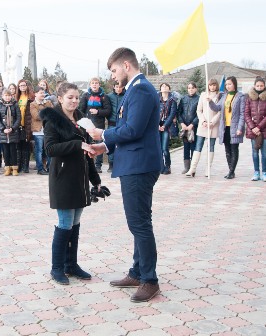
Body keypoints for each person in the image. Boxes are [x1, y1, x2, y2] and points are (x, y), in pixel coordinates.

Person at [88, 47, 161, 302]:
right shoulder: (134, 89)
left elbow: (133, 130)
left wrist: (102, 134)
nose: (113, 76)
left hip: (140, 165)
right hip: (136, 163)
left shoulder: (140, 89)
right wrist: (104, 147)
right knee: (140, 221)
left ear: (126, 65)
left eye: (114, 70)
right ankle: (138, 271)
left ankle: (150, 280)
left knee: (139, 223)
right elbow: (127, 129)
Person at [40, 83, 101, 285]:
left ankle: (71, 265)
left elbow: (88, 152)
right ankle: (57, 268)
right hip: (63, 178)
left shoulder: (81, 120)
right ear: (60, 98)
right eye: (70, 97)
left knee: (75, 224)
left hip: (80, 178)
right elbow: (50, 149)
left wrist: (96, 181)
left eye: (76, 97)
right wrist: (77, 144)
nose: (74, 101)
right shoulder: (53, 120)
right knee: (64, 224)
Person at [208, 76, 245, 179]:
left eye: (230, 84)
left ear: (234, 84)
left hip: (235, 127)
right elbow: (217, 108)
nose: (228, 86)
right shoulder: (224, 96)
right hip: (225, 128)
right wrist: (210, 101)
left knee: (234, 149)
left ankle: (232, 171)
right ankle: (230, 171)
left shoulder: (240, 97)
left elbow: (242, 114)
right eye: (227, 84)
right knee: (227, 150)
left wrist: (240, 128)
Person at [185, 79, 223, 177]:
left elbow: (219, 111)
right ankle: (192, 169)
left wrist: (212, 122)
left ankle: (208, 169)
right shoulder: (203, 95)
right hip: (203, 125)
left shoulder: (220, 96)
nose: (212, 87)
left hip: (213, 125)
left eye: (214, 85)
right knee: (198, 146)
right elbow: (199, 110)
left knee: (210, 147)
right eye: (210, 85)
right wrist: (203, 121)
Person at [79, 77, 111, 173]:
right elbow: (81, 110)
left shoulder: (104, 97)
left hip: (99, 125)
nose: (94, 84)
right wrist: (84, 120)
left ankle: (98, 165)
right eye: (92, 83)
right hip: (87, 125)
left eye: (96, 83)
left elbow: (108, 111)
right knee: (86, 144)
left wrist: (98, 112)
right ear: (90, 85)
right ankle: (86, 163)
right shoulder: (85, 96)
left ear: (99, 85)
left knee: (99, 144)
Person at [244, 77, 266, 182]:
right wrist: (253, 127)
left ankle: (264, 172)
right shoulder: (249, 97)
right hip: (253, 130)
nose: (259, 87)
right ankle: (256, 172)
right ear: (254, 86)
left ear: (264, 86)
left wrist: (259, 127)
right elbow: (246, 113)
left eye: (261, 86)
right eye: (257, 86)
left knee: (264, 152)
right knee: (254, 152)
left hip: (264, 129)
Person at [0, 89, 21, 176]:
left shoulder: (15, 105)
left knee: (13, 151)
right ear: (2, 96)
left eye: (9, 95)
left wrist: (13, 128)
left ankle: (14, 168)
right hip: (3, 133)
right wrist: (3, 129)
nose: (7, 97)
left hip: (13, 132)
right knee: (5, 152)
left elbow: (18, 118)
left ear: (11, 96)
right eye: (5, 95)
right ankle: (7, 168)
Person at [30, 85, 53, 175]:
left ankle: (49, 168)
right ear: (35, 94)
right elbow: (36, 116)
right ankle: (40, 169)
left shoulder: (48, 103)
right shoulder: (32, 104)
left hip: (48, 130)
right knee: (39, 151)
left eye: (43, 93)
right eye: (40, 93)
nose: (43, 94)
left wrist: (43, 112)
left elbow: (52, 114)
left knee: (48, 150)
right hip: (38, 131)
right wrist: (46, 113)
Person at [177, 82, 200, 174]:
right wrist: (182, 123)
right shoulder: (183, 99)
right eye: (189, 88)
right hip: (184, 127)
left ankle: (192, 168)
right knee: (186, 147)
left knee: (193, 147)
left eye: (192, 88)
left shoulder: (199, 99)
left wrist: (192, 124)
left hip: (194, 127)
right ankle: (186, 167)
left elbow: (199, 113)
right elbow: (179, 112)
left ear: (196, 89)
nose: (191, 89)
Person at [158, 83, 177, 175]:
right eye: (162, 86)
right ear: (160, 89)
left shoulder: (172, 100)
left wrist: (164, 126)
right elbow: (153, 112)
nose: (164, 87)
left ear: (169, 89)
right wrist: (157, 124)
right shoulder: (156, 99)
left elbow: (172, 114)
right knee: (158, 148)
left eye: (166, 86)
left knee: (164, 148)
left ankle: (167, 166)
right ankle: (161, 167)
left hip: (166, 126)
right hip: (157, 125)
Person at [107, 82, 126, 173]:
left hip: (122, 123)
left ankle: (122, 163)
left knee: (122, 143)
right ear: (114, 87)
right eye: (117, 87)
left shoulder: (126, 95)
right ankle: (111, 164)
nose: (118, 88)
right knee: (111, 143)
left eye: (120, 87)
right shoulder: (109, 96)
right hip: (112, 122)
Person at [16, 79, 34, 173]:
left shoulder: (30, 97)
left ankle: (25, 166)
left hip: (27, 125)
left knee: (26, 145)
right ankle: (19, 165)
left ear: (27, 86)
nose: (22, 87)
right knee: (19, 145)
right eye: (20, 86)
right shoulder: (17, 98)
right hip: (18, 125)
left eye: (24, 85)